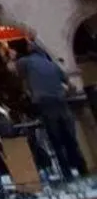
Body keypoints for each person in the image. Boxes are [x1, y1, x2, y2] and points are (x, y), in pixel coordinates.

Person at [16, 43, 86, 180]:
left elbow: (18, 72)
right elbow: (70, 85)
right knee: (71, 140)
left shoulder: (26, 62)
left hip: (46, 105)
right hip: (61, 104)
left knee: (56, 142)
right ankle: (82, 169)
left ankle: (67, 174)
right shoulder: (53, 64)